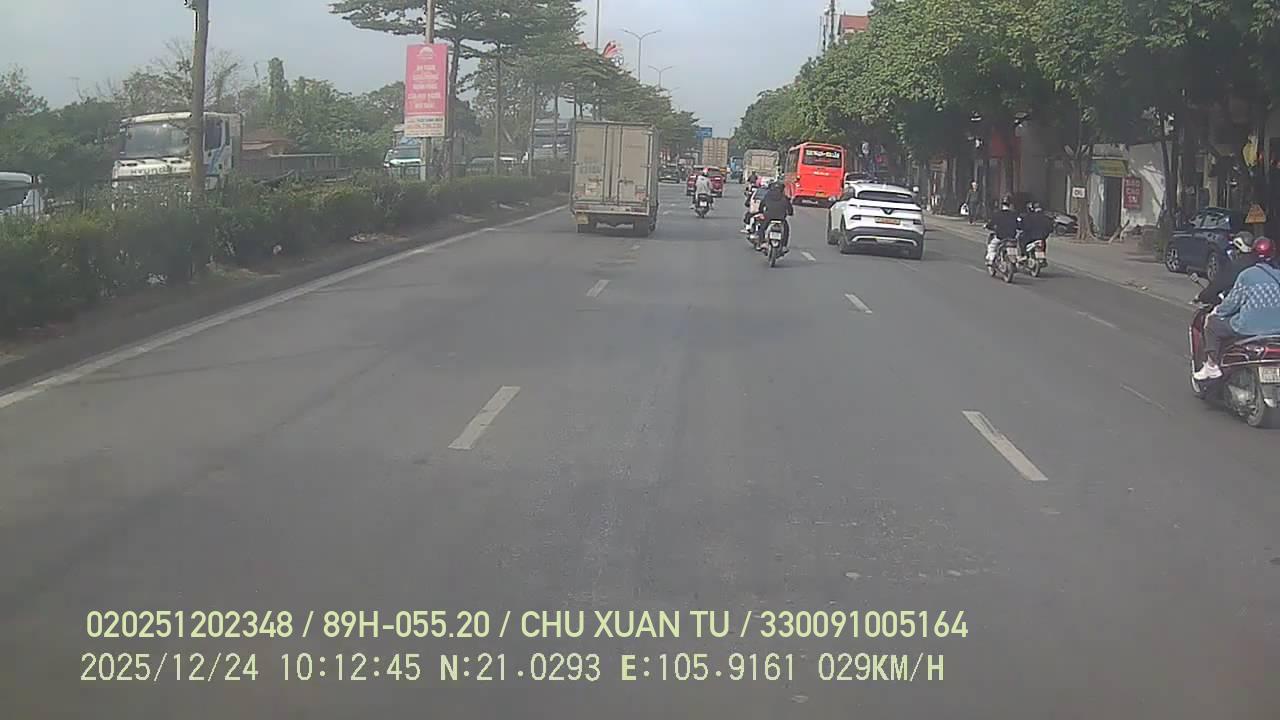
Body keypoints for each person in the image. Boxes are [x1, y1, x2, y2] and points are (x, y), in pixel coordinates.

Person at [1195, 236, 1280, 380]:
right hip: (1277, 330)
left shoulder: (1247, 275)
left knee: (1212, 324)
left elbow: (1232, 304)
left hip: (1249, 328)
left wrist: (1217, 311)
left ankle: (1211, 366)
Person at [1195, 232, 1263, 305]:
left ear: (1239, 248)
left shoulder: (1237, 265)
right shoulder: (1260, 263)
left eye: (1234, 248)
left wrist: (1202, 296)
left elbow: (1218, 284)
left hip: (1244, 306)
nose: (1233, 251)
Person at [756, 180, 794, 248]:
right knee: (786, 230)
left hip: (768, 217)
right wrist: (790, 213)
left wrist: (761, 212)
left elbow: (762, 205)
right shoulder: (784, 197)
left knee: (762, 228)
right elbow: (790, 208)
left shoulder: (768, 196)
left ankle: (762, 242)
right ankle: (784, 245)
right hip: (781, 218)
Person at [984, 196, 1019, 266]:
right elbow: (1019, 225)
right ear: (1010, 205)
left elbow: (991, 223)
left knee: (992, 246)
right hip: (1012, 237)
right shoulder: (1014, 214)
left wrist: (986, 226)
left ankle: (991, 260)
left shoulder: (998, 214)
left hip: (1000, 237)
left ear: (1002, 205)